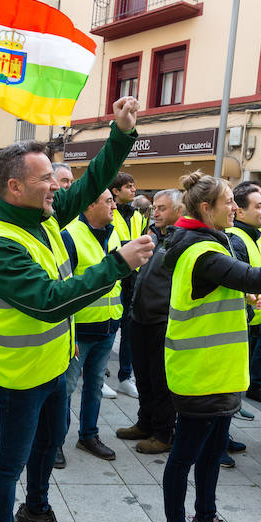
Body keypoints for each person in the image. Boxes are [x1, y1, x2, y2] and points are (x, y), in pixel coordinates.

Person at [0, 96, 152, 522]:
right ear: (15, 187)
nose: (57, 186)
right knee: (9, 462)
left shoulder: (44, 217)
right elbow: (49, 302)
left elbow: (94, 181)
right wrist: (117, 263)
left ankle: (35, 510)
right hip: (21, 374)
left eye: (55, 178)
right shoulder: (1, 244)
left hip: (56, 364)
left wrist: (120, 133)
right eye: (45, 179)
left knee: (50, 444)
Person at [157, 173, 261, 522]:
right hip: (198, 374)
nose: (236, 209)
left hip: (221, 372)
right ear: (206, 209)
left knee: (212, 453)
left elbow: (223, 297)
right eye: (229, 202)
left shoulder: (210, 243)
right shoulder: (199, 250)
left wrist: (241, 301)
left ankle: (205, 519)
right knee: (184, 457)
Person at [117, 188, 183, 455]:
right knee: (143, 377)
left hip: (162, 321)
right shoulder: (154, 236)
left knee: (160, 381)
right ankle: (145, 423)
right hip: (140, 318)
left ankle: (163, 433)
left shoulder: (181, 242)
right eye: (154, 207)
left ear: (180, 211)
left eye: (162, 208)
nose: (155, 212)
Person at [61, 190, 123, 464]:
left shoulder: (113, 231)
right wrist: (69, 331)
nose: (114, 205)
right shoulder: (70, 235)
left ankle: (88, 435)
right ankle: (54, 443)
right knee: (65, 388)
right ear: (89, 204)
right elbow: (63, 287)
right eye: (108, 201)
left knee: (95, 385)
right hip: (80, 329)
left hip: (108, 326)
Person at [229, 183, 261, 406]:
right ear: (240, 211)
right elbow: (240, 280)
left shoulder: (254, 234)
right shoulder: (236, 238)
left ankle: (235, 407)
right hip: (239, 319)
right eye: (260, 206)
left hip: (252, 316)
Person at [110, 171, 146, 399]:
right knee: (112, 328)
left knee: (129, 331)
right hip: (114, 278)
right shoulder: (108, 211)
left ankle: (125, 376)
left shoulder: (138, 216)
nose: (134, 190)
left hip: (134, 279)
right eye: (129, 186)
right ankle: (101, 373)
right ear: (116, 191)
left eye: (134, 186)